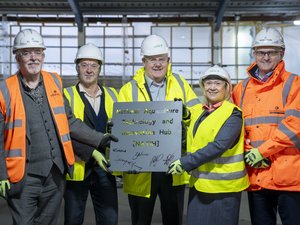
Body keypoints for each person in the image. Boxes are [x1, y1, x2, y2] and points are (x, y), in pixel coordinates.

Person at [0, 29, 118, 225]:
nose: (33, 57)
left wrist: (99, 138)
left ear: (43, 55)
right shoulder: (5, 90)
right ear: (17, 56)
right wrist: (1, 173)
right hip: (22, 176)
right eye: (26, 52)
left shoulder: (53, 81)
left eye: (37, 52)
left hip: (55, 175)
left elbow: (68, 121)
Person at [118, 34, 201, 225]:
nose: (157, 64)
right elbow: (122, 128)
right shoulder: (128, 90)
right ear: (143, 62)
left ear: (168, 61)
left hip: (173, 166)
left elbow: (197, 116)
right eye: (152, 59)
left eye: (161, 59)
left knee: (173, 218)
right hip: (141, 169)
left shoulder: (180, 84)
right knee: (140, 220)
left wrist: (186, 115)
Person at [232, 27, 300, 225]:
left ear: (282, 53)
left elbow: (295, 126)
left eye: (272, 52)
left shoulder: (294, 84)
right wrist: (247, 150)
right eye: (261, 52)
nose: (266, 57)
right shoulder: (241, 89)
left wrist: (261, 151)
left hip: (289, 177)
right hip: (258, 176)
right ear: (254, 53)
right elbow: (234, 127)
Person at [168, 65, 249, 225]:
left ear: (227, 88)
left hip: (224, 188)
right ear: (203, 86)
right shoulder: (199, 110)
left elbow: (218, 146)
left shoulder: (233, 114)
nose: (212, 87)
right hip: (200, 184)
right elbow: (191, 130)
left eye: (218, 83)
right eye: (208, 83)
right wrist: (182, 117)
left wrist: (185, 162)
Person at [63, 43, 119, 225]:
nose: (89, 70)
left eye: (94, 65)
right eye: (84, 65)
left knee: (109, 220)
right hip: (77, 169)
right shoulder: (66, 95)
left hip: (105, 168)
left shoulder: (113, 95)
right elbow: (64, 133)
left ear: (100, 69)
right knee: (73, 219)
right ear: (77, 68)